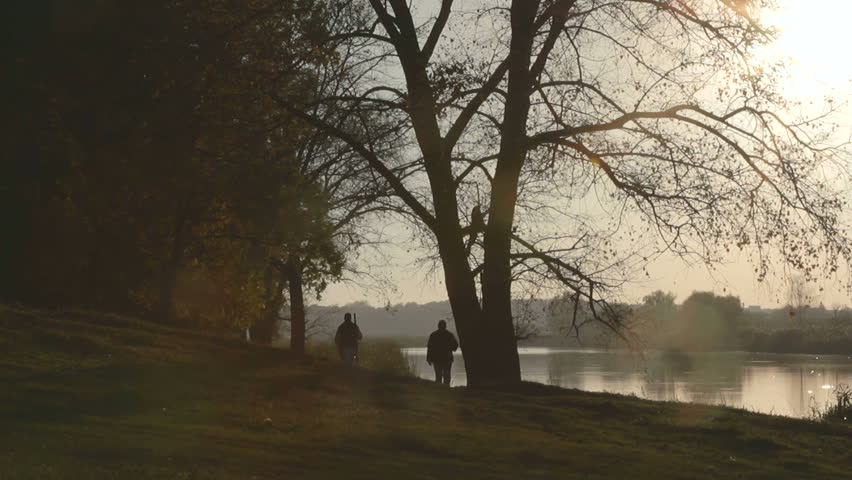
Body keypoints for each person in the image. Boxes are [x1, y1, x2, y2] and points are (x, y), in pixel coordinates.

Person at [426, 320, 459, 385]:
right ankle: (446, 389)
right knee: (447, 376)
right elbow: (455, 346)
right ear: (445, 326)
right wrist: (450, 348)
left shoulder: (433, 335)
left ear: (438, 326)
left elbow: (429, 348)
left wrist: (428, 358)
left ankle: (439, 389)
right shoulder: (449, 335)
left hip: (436, 359)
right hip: (447, 359)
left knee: (438, 376)